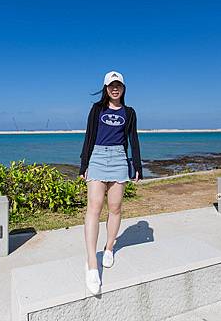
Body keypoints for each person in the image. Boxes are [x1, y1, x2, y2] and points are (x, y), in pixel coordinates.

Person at [79, 70, 143, 295]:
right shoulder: (97, 109)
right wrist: (83, 165)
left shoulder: (130, 112)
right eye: (111, 85)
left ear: (123, 88)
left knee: (115, 207)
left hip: (118, 158)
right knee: (94, 207)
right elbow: (88, 136)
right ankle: (91, 264)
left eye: (118, 85)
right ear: (105, 88)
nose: (115, 89)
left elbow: (132, 139)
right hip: (97, 156)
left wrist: (136, 165)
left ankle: (108, 248)